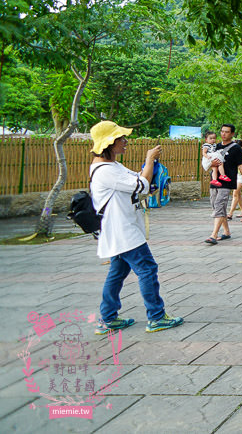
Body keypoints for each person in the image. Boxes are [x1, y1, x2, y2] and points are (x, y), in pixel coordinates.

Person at [88, 121, 183, 334]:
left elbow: (140, 181)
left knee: (117, 272)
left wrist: (150, 171)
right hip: (123, 230)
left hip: (122, 229)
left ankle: (108, 318)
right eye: (120, 138)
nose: (125, 142)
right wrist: (149, 160)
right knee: (147, 268)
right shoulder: (105, 171)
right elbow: (141, 185)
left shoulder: (113, 166)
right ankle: (156, 316)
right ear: (109, 143)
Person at [206, 125, 242, 245]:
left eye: (227, 132)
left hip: (227, 182)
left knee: (219, 205)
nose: (223, 134)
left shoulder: (236, 148)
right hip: (215, 181)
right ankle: (227, 232)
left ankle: (213, 235)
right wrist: (211, 163)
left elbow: (241, 166)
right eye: (222, 131)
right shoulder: (215, 146)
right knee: (216, 206)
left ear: (232, 134)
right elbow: (208, 162)